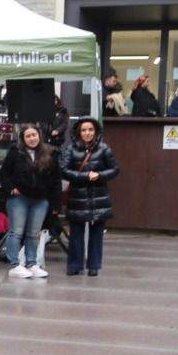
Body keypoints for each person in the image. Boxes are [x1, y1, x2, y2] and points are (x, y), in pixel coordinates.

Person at [1, 124, 61, 278]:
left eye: (34, 135)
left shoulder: (50, 153)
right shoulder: (15, 152)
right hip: (19, 198)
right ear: (23, 138)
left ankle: (32, 263)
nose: (32, 138)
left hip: (41, 199)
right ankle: (15, 264)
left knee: (34, 233)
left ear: (39, 135)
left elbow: (56, 180)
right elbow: (4, 174)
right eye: (28, 136)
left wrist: (55, 203)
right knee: (16, 232)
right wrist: (11, 188)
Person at [61, 117, 119, 276]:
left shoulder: (104, 148)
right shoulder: (71, 149)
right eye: (84, 130)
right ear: (78, 132)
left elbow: (115, 169)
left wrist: (99, 175)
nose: (87, 133)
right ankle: (75, 265)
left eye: (90, 130)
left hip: (98, 197)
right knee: (75, 234)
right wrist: (85, 176)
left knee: (96, 234)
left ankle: (94, 266)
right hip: (77, 197)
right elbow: (63, 170)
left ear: (96, 131)